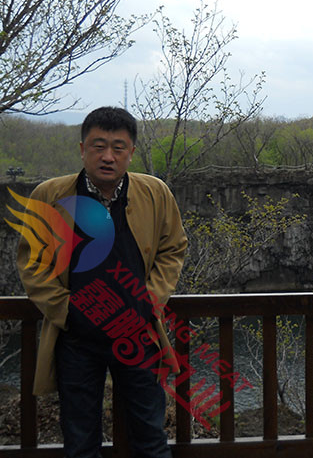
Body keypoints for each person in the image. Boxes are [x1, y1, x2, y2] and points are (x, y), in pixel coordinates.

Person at [15, 107, 187, 458]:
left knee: (151, 439)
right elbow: (32, 262)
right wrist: (66, 311)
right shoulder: (50, 195)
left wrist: (149, 301)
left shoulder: (155, 193)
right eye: (98, 146)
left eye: (118, 147)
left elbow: (173, 248)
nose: (108, 156)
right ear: (82, 149)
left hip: (137, 335)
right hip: (77, 339)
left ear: (131, 152)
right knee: (80, 443)